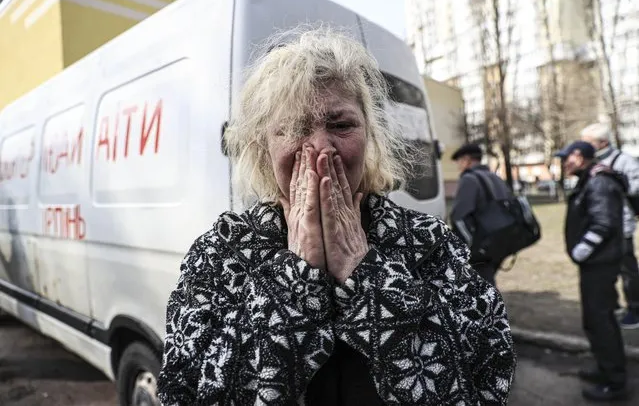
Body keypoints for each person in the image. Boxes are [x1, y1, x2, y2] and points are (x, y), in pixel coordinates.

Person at [156, 27, 516, 405]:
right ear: (263, 147)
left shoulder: (428, 242)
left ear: (369, 135)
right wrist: (295, 278)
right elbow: (189, 391)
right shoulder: (222, 253)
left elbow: (487, 378)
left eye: (341, 125)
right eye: (294, 129)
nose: (320, 151)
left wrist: (365, 276)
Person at [556, 140, 629, 402]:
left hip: (599, 263)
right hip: (596, 263)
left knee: (601, 320)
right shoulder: (590, 178)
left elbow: (603, 223)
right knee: (596, 320)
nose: (564, 162)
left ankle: (615, 383)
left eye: (567, 157)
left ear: (581, 156)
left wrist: (580, 251)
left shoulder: (598, 181)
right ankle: (604, 369)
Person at [582, 123, 639, 329]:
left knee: (627, 269)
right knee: (604, 269)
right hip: (597, 226)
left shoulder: (624, 161)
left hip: (621, 226)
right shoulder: (589, 162)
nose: (583, 146)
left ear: (602, 142)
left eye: (588, 142)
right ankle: (613, 305)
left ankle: (635, 308)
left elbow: (635, 187)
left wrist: (615, 179)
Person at [449, 143, 513, 287]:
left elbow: (459, 218)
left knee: (478, 289)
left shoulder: (469, 180)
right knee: (488, 282)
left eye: (459, 161)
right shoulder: (495, 178)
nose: (458, 166)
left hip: (479, 248)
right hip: (499, 244)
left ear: (467, 160)